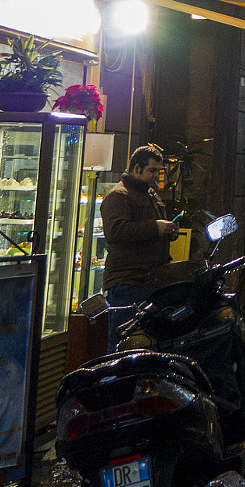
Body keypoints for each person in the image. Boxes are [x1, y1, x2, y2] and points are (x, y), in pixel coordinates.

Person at [101, 144, 178, 351]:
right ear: (137, 168)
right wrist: (155, 228)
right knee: (124, 340)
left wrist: (169, 231)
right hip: (127, 282)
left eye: (158, 171)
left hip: (150, 281)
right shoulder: (119, 196)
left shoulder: (151, 195)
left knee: (147, 340)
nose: (156, 176)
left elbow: (153, 229)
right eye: (152, 171)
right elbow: (116, 232)